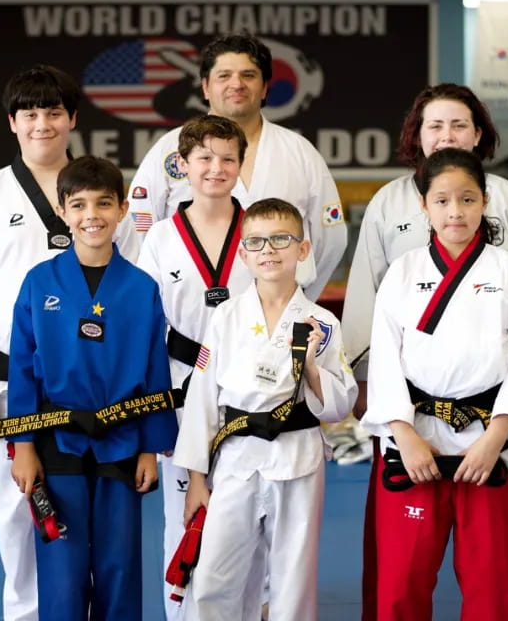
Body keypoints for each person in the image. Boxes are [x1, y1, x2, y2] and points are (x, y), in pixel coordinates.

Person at [341, 83, 508, 620]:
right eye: (434, 125)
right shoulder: (390, 209)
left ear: (479, 134)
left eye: (459, 125)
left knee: (490, 587)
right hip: (411, 422)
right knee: (400, 579)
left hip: (490, 419)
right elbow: (371, 308)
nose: (455, 212)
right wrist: (374, 398)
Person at [0, 65, 138, 621]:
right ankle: (27, 614)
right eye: (30, 113)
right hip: (12, 380)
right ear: (12, 122)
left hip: (100, 386)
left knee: (102, 514)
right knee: (21, 508)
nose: (42, 124)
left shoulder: (99, 189)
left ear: (72, 119)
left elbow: (133, 287)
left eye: (54, 113)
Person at [8, 156, 179, 621]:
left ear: (123, 209)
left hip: (122, 442)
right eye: (79, 204)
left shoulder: (141, 287)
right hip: (55, 438)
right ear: (63, 211)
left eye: (104, 203)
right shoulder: (39, 282)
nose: (92, 215)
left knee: (119, 566)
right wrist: (22, 445)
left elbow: (154, 369)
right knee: (62, 568)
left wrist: (150, 447)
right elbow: (22, 367)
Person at [173, 198, 357, 621]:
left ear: (302, 249)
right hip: (234, 459)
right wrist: (196, 479)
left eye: (280, 239)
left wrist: (309, 363)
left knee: (293, 578)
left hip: (296, 457)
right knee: (214, 577)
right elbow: (202, 398)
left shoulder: (321, 322)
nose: (268, 250)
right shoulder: (226, 316)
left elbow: (340, 404)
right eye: (255, 242)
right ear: (242, 253)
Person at [136, 114, 256, 620]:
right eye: (204, 157)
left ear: (241, 164)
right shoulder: (161, 237)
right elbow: (146, 329)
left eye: (228, 158)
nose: (216, 168)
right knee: (185, 516)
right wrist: (153, 412)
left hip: (252, 392)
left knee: (249, 516)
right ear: (181, 165)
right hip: (181, 391)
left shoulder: (262, 228)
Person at [128, 32, 347, 300]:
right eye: (224, 76)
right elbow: (138, 232)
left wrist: (300, 297)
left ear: (265, 87)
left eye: (249, 75)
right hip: (188, 312)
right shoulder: (169, 150)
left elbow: (331, 240)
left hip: (279, 310)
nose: (237, 84)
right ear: (206, 87)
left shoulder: (298, 152)